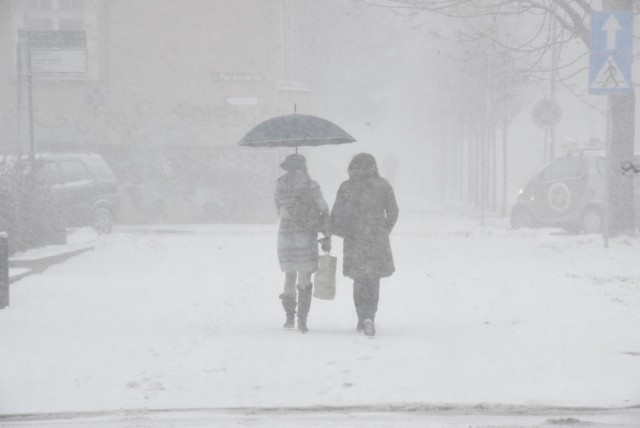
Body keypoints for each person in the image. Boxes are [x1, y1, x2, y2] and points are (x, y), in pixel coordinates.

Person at [330, 153, 398, 336]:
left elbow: (336, 214)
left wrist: (342, 231)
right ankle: (370, 317)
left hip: (354, 240)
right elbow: (393, 211)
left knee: (359, 280)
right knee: (373, 279)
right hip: (376, 240)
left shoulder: (347, 187)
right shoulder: (383, 185)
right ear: (374, 166)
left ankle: (361, 317)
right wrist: (384, 230)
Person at [274, 154, 331, 333]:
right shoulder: (310, 184)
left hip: (285, 233)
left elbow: (278, 208)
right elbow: (323, 207)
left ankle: (289, 317)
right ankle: (302, 320)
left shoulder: (279, 184)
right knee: (304, 274)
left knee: (289, 275)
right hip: (305, 232)